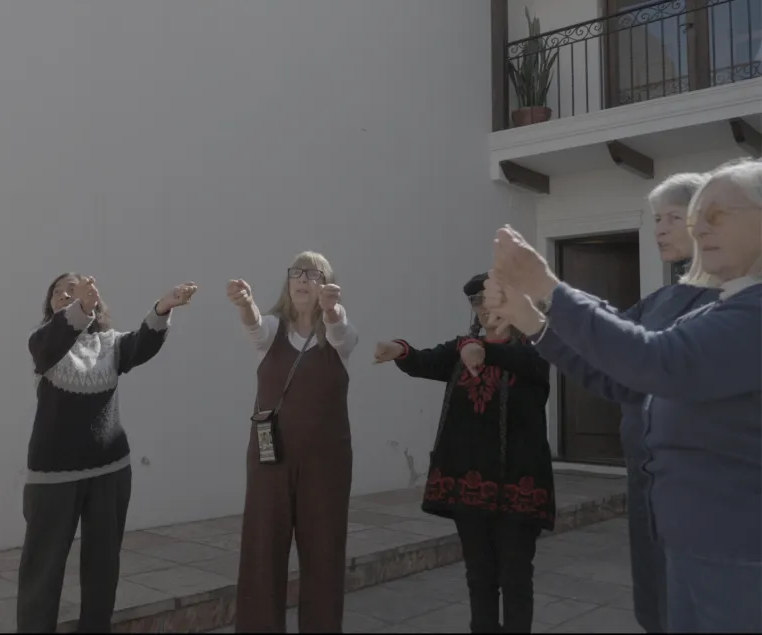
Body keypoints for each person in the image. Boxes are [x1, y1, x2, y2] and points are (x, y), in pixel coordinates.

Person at [483, 159, 762, 633]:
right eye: (696, 217)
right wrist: (531, 318)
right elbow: (622, 378)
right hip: (691, 538)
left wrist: (546, 287)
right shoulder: (716, 309)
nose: (698, 228)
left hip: (736, 552)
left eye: (718, 214)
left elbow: (652, 359)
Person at [537, 172, 719, 634]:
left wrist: (547, 293)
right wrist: (532, 322)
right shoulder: (661, 299)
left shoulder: (727, 305)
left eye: (672, 218)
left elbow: (641, 365)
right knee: (654, 599)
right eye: (656, 218)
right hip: (644, 476)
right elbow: (604, 357)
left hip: (696, 486)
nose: (659, 228)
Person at [374, 272, 553, 633]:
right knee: (479, 576)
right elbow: (423, 360)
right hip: (469, 487)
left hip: (519, 485)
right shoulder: (461, 348)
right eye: (478, 304)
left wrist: (481, 349)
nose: (485, 311)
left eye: (492, 301)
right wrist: (399, 350)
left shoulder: (535, 350)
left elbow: (523, 362)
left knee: (516, 577)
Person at [17, 273, 197, 633]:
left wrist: (162, 307)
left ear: (97, 301)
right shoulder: (43, 342)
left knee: (102, 570)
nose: (67, 295)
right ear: (50, 305)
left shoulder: (110, 344)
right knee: (43, 572)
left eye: (76, 290)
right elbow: (51, 343)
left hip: (110, 472)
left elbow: (141, 345)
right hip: (53, 479)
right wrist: (80, 306)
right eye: (59, 292)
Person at [227, 251, 360, 633]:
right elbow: (254, 326)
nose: (303, 279)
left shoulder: (342, 334)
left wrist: (332, 311)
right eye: (297, 273)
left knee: (323, 554)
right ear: (288, 283)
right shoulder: (273, 329)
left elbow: (337, 330)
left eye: (313, 274)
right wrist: (246, 303)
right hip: (271, 460)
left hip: (327, 465)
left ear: (325, 285)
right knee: (262, 552)